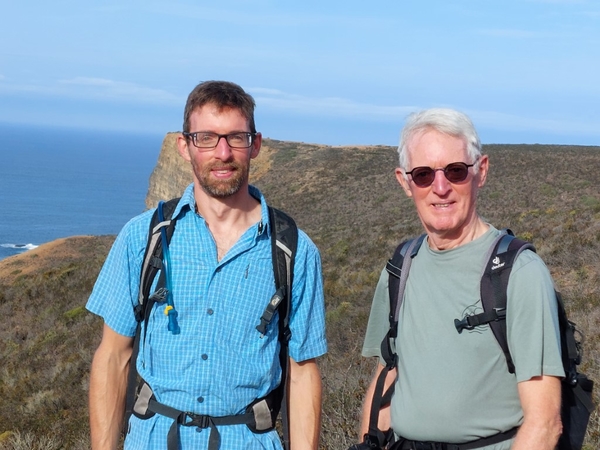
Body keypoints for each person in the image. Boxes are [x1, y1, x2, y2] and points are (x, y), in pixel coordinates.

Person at [87, 80, 327, 450]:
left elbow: (303, 372)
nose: (223, 152)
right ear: (184, 146)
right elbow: (113, 356)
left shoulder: (293, 249)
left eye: (236, 138)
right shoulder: (143, 236)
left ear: (256, 145)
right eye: (206, 138)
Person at [358, 108, 564, 450]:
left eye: (455, 171)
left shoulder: (518, 273)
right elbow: (387, 374)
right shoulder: (400, 267)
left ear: (480, 171)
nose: (440, 188)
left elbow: (544, 423)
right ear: (404, 182)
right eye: (423, 174)